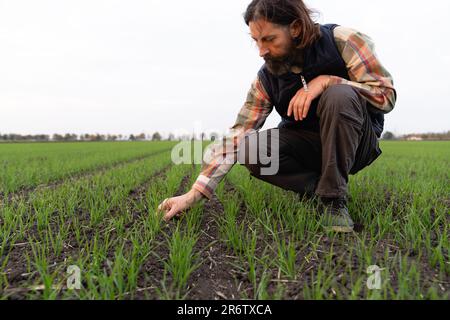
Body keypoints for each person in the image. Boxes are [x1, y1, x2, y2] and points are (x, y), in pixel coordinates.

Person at [157, 0, 396, 232]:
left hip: (356, 143)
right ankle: (316, 191)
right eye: (256, 41)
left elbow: (385, 96)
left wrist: (326, 82)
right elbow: (239, 133)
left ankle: (333, 200)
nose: (261, 51)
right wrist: (194, 194)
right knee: (250, 148)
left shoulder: (342, 40)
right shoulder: (266, 80)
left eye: (269, 39)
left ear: (296, 28)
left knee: (338, 95)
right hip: (307, 147)